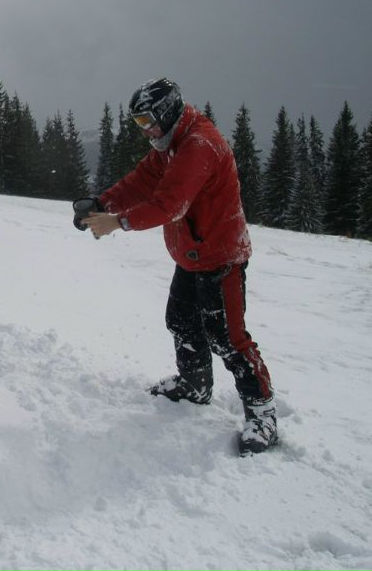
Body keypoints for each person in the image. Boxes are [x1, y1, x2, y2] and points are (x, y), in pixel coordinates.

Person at [78, 77, 277, 454]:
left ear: (167, 113)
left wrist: (117, 222)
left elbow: (169, 205)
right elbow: (143, 181)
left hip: (220, 257)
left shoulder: (198, 145)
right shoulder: (170, 143)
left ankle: (263, 414)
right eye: (138, 123)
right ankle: (195, 385)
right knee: (181, 320)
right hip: (191, 255)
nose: (144, 131)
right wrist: (102, 202)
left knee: (228, 338)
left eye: (147, 121)